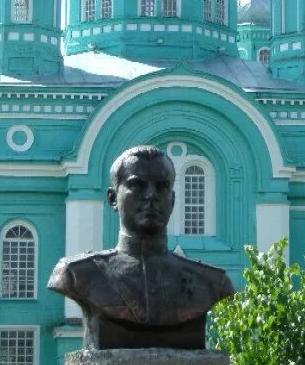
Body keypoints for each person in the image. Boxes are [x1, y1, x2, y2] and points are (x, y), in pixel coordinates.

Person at [49, 145, 235, 349]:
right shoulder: (78, 274)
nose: (151, 195)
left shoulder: (211, 282)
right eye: (138, 185)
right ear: (112, 199)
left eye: (162, 187)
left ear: (172, 201)